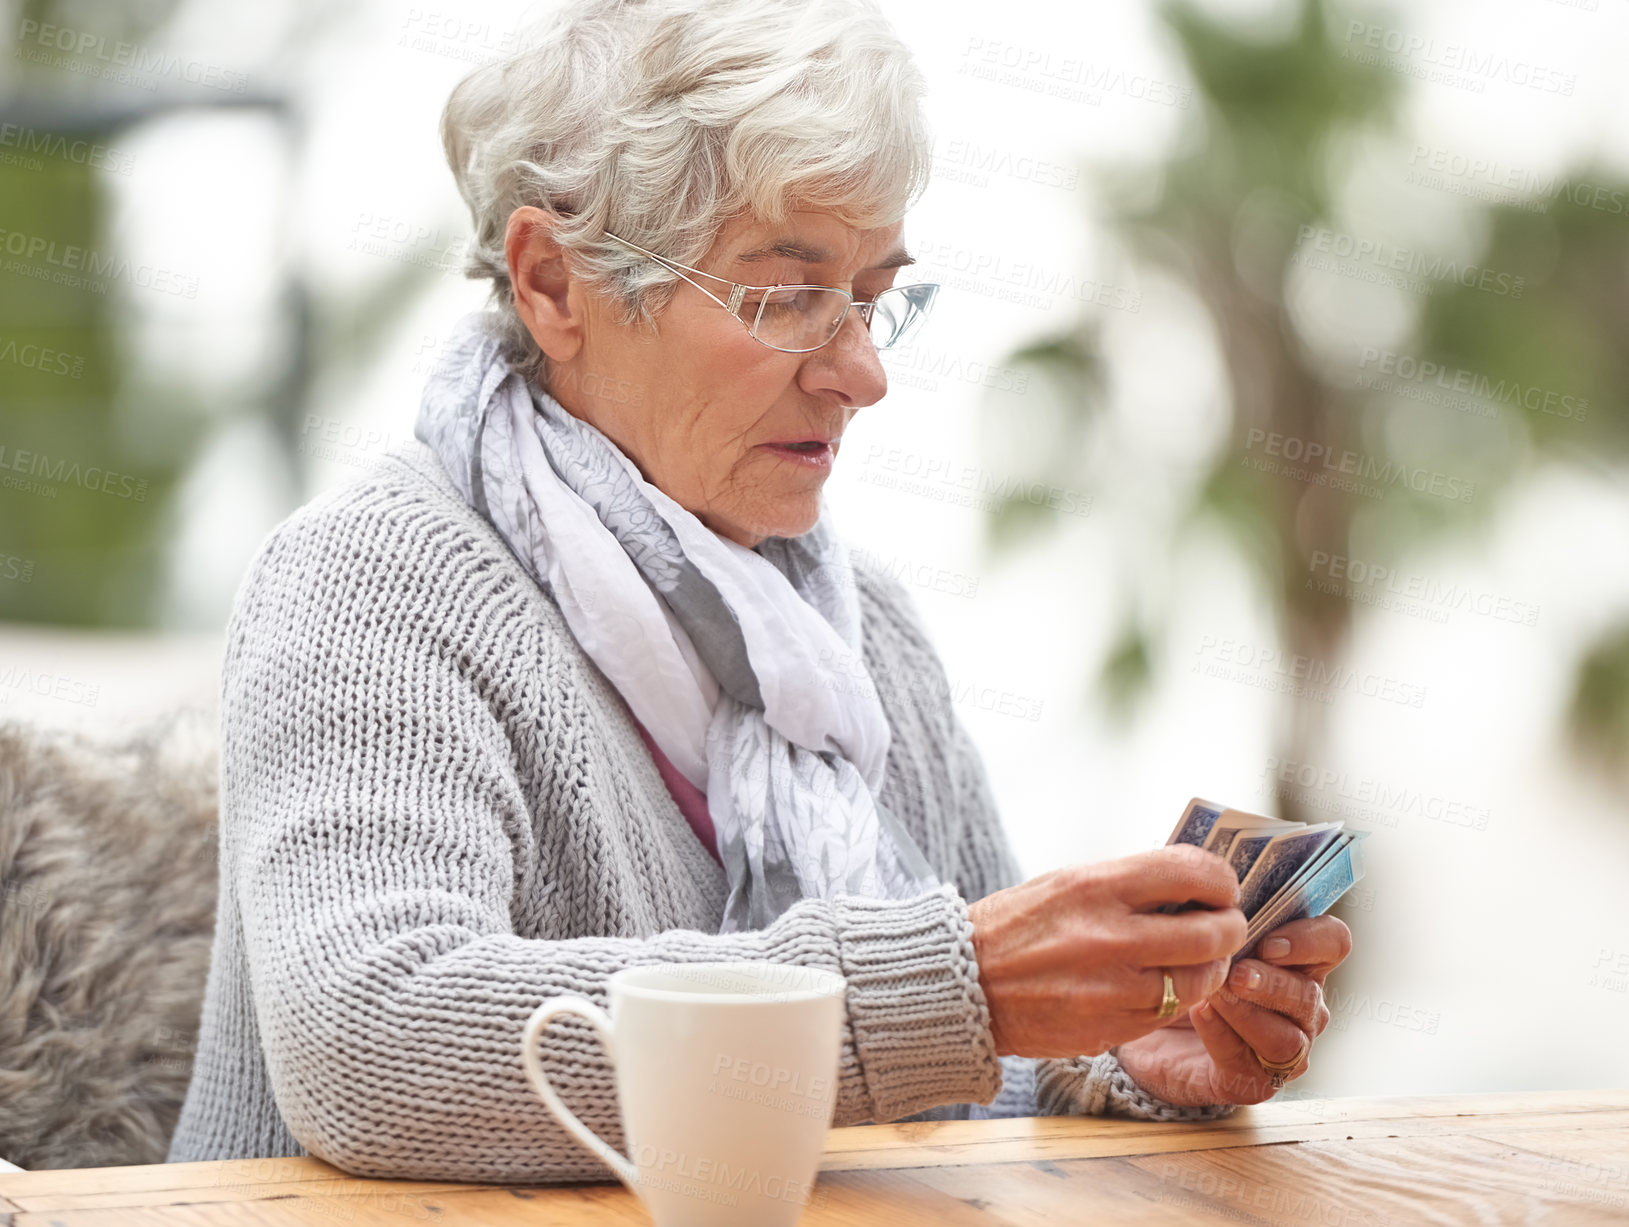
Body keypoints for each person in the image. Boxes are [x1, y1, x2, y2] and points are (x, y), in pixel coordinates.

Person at [166, 0, 1350, 1179]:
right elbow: (371, 1043)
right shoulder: (370, 582)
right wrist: (953, 993)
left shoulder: (862, 627)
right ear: (553, 283)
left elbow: (968, 1032)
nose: (865, 374)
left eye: (877, 297)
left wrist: (1124, 1050)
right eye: (788, 297)